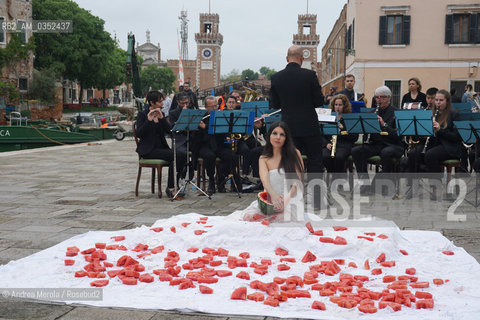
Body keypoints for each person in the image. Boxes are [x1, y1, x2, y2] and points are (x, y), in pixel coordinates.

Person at [269, 45, 324, 188]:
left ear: (287, 59)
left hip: (289, 127)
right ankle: (316, 196)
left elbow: (274, 104)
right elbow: (319, 101)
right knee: (315, 161)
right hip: (309, 126)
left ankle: (293, 195)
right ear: (302, 58)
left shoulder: (276, 77)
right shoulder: (310, 75)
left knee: (290, 161)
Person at [231, 121, 304, 221]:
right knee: (249, 218)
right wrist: (274, 197)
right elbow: (265, 181)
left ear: (286, 138)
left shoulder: (295, 153)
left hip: (291, 199)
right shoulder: (263, 158)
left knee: (282, 220)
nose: (277, 137)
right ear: (269, 135)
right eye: (274, 133)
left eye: (282, 135)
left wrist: (285, 201)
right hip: (270, 199)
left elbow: (298, 182)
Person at [135, 90, 186, 198]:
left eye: (162, 101)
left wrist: (162, 119)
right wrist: (148, 121)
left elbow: (170, 131)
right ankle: (171, 188)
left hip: (161, 148)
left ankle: (172, 185)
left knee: (181, 155)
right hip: (148, 150)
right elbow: (139, 133)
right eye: (159, 102)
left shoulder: (161, 114)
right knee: (176, 156)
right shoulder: (142, 114)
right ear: (152, 103)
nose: (162, 104)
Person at [351, 86, 403, 181]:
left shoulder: (397, 113)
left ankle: (384, 183)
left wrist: (384, 125)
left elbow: (398, 135)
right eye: (376, 97)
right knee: (356, 151)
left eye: (382, 97)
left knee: (386, 153)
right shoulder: (372, 112)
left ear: (388, 98)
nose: (378, 100)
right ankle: (365, 183)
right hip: (376, 144)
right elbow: (365, 133)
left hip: (392, 144)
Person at [194, 96, 240, 195]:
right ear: (206, 107)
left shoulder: (221, 116)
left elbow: (225, 130)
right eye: (212, 107)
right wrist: (202, 127)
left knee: (231, 156)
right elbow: (200, 138)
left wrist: (228, 137)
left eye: (216, 106)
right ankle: (211, 180)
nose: (215, 108)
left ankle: (221, 178)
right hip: (205, 146)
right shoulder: (201, 118)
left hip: (219, 145)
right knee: (209, 156)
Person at [322, 94, 358, 176]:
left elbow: (354, 137)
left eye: (340, 105)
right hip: (330, 144)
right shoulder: (328, 116)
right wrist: (326, 144)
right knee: (324, 156)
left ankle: (337, 178)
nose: (337, 107)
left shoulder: (349, 118)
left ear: (344, 106)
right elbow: (321, 134)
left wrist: (343, 129)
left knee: (339, 157)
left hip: (344, 145)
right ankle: (335, 175)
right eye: (336, 105)